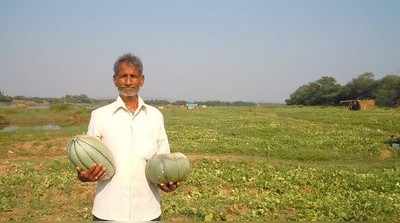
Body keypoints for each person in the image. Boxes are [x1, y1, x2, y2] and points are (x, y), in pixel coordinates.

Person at [76, 53, 178, 221]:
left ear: (142, 80)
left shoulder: (155, 116)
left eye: (133, 76)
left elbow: (163, 161)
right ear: (115, 79)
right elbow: (87, 159)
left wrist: (167, 181)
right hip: (108, 212)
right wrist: (83, 175)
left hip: (148, 212)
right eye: (123, 76)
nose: (128, 81)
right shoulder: (99, 115)